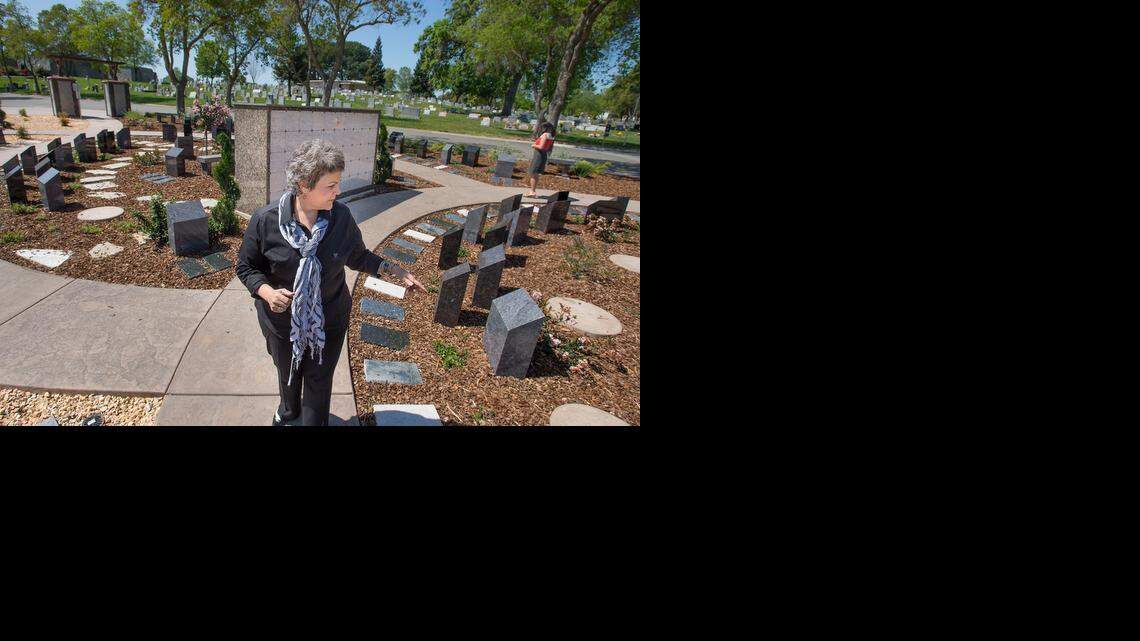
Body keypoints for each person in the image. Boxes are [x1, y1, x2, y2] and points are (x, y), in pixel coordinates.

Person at [236, 139, 426, 426]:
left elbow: (357, 256)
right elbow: (246, 267)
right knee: (287, 373)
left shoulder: (340, 217)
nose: (338, 192)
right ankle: (288, 411)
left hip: (330, 319)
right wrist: (266, 292)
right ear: (303, 185)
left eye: (338, 183)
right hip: (282, 323)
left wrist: (393, 270)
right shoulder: (266, 221)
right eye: (330, 186)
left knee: (319, 380)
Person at [523, 121, 556, 197]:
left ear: (545, 128)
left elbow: (541, 147)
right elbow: (547, 148)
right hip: (543, 155)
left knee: (533, 173)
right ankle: (533, 191)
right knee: (536, 174)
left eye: (542, 127)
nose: (541, 129)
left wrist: (533, 145)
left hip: (539, 155)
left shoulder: (545, 135)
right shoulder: (551, 136)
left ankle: (532, 192)